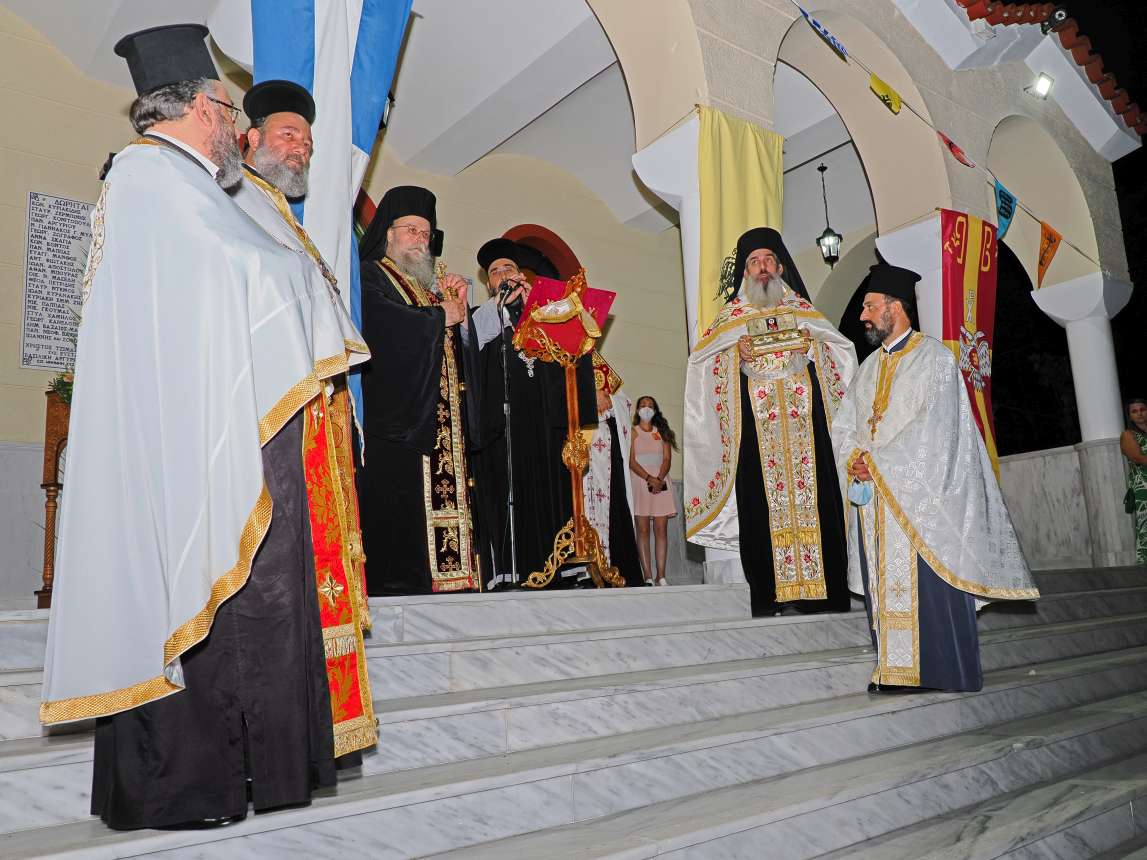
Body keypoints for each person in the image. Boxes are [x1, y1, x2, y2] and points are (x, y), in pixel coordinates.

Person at [39, 24, 373, 831]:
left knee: (244, 599)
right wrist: (305, 286)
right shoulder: (150, 175)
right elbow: (240, 275)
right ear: (199, 107)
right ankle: (186, 787)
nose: (236, 126)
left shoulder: (184, 181)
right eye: (228, 110)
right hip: (189, 437)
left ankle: (243, 775)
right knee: (201, 597)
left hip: (214, 418)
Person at [831, 261, 1040, 693]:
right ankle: (893, 670)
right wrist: (853, 457)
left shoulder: (935, 359)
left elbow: (937, 427)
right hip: (875, 502)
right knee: (882, 585)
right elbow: (844, 423)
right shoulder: (867, 369)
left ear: (895, 307)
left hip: (920, 499)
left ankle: (939, 671)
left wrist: (879, 460)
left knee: (926, 587)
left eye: (870, 306)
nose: (863, 315)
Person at [684, 228, 857, 616]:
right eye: (754, 262)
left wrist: (811, 347)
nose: (762, 267)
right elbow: (702, 364)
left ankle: (825, 596)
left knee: (819, 503)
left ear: (779, 267)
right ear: (745, 273)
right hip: (756, 435)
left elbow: (842, 352)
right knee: (760, 507)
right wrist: (735, 355)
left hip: (808, 431)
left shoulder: (803, 312)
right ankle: (770, 596)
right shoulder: (731, 319)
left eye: (767, 260)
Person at [355, 186, 481, 595]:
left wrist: (460, 316)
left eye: (426, 234)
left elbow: (457, 358)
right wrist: (438, 316)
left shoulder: (429, 288)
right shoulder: (370, 274)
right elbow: (381, 324)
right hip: (393, 430)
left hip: (438, 433)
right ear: (388, 233)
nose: (420, 240)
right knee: (397, 522)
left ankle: (448, 582)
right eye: (411, 230)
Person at [470, 238, 597, 588]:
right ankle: (512, 572)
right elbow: (471, 346)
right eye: (495, 272)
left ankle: (561, 570)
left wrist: (537, 307)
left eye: (509, 268)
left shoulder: (542, 310)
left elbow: (572, 352)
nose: (503, 275)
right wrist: (500, 306)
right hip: (503, 426)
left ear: (521, 275)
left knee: (551, 491)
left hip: (544, 421)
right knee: (511, 496)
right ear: (489, 283)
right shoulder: (483, 315)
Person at [583, 356, 644, 587]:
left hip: (607, 455)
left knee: (613, 511)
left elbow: (624, 402)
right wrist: (587, 398)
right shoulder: (562, 365)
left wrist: (608, 400)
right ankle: (586, 572)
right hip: (580, 454)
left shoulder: (597, 364)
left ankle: (613, 568)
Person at [630, 395, 678, 586]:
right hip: (640, 482)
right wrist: (648, 478)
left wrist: (658, 479)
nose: (646, 408)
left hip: (661, 482)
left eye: (650, 405)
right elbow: (631, 461)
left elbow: (666, 459)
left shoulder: (662, 432)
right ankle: (648, 576)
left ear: (655, 410)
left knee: (661, 529)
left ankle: (661, 576)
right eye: (643, 405)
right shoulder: (632, 432)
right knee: (642, 530)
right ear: (637, 410)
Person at [1121, 398, 1147, 563]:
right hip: (1143, 487)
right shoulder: (1128, 435)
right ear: (1130, 416)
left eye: (1142, 409)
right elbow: (1138, 458)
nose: (1140, 414)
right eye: (1134, 411)